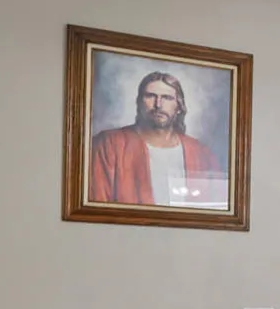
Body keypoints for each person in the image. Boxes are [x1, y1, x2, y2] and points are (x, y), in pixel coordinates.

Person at [88, 70, 226, 207]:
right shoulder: (109, 144)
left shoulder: (201, 153)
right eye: (150, 96)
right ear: (139, 102)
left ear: (178, 106)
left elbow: (215, 208)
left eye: (167, 98)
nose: (158, 105)